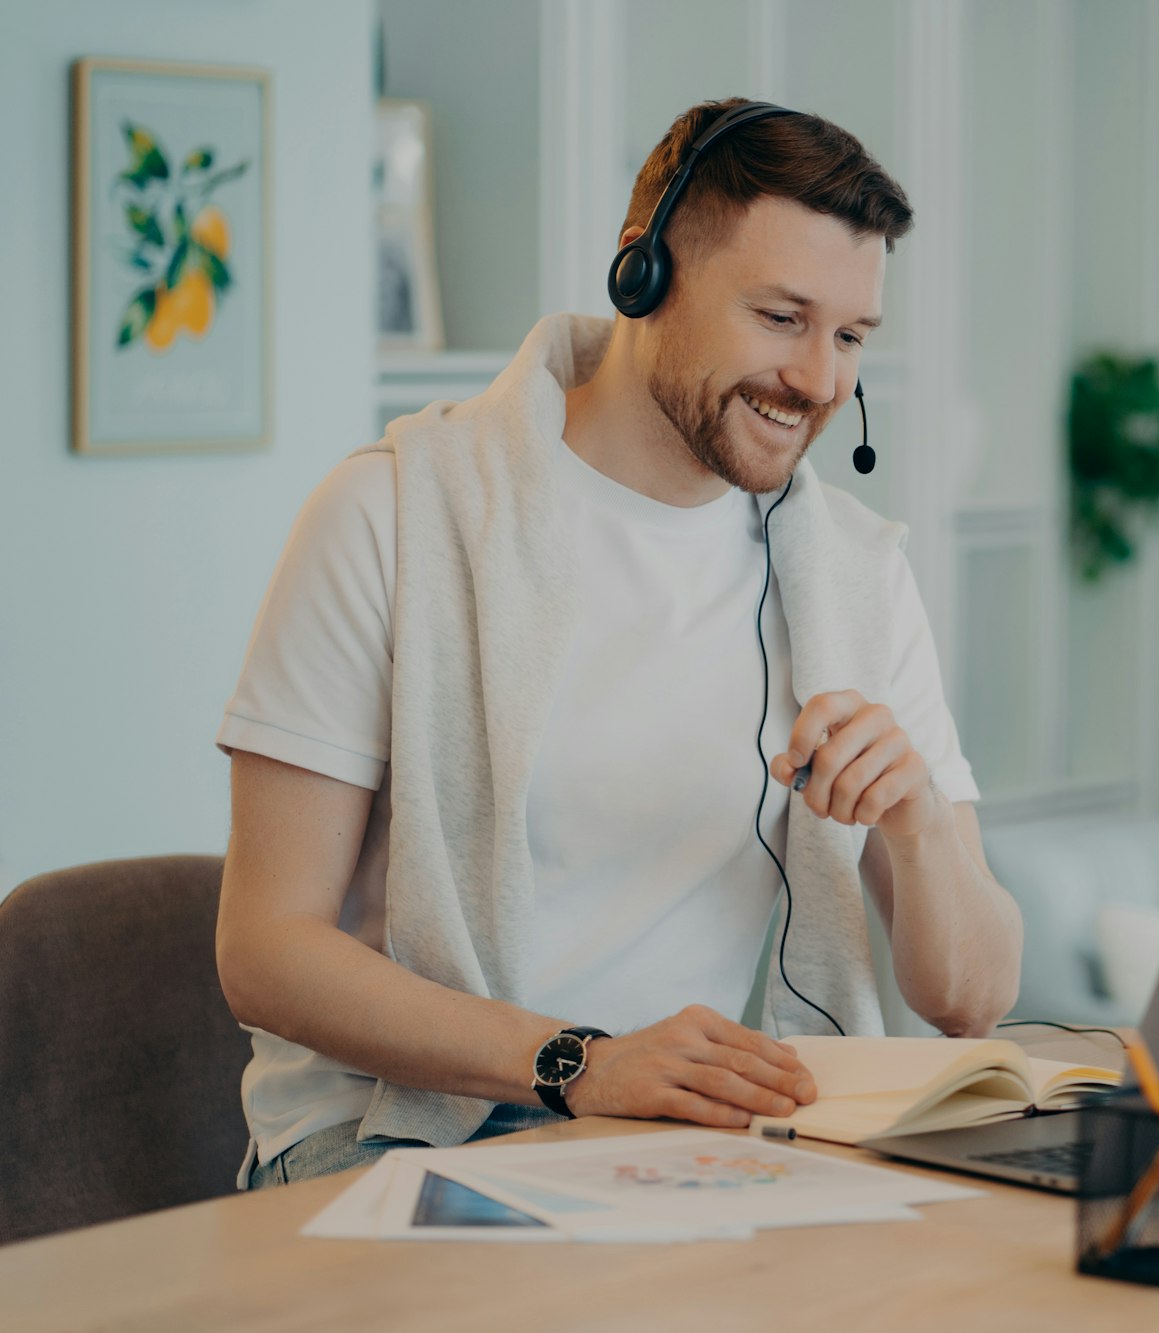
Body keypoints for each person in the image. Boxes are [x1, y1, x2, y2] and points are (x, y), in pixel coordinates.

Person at [214, 98, 1024, 1189]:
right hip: (388, 1138)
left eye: (850, 336)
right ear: (642, 277)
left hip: (674, 1150)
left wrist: (921, 823)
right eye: (780, 317)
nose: (820, 382)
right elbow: (265, 951)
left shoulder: (852, 575)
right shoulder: (392, 514)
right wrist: (580, 1065)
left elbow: (971, 998)